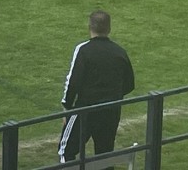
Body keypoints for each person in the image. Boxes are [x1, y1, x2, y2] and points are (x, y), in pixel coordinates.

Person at [58, 10, 135, 164]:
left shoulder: (83, 50)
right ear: (109, 28)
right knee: (105, 155)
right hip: (111, 110)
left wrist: (67, 107)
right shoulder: (119, 52)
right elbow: (129, 84)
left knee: (66, 152)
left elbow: (73, 81)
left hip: (85, 110)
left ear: (89, 26)